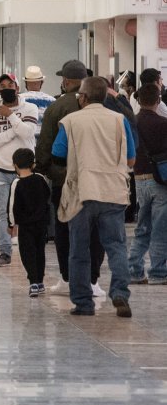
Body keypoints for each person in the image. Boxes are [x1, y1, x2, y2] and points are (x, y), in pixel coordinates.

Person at [52, 76, 135, 318]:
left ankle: (83, 303)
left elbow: (58, 154)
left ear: (84, 97)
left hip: (82, 193)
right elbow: (130, 159)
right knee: (117, 247)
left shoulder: (70, 121)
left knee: (79, 250)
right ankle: (120, 293)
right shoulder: (120, 120)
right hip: (113, 192)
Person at [36, 60, 106, 296]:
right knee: (95, 230)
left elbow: (45, 147)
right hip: (96, 180)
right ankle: (93, 280)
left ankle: (67, 279)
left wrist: (51, 172)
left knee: (65, 230)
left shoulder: (56, 107)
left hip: (63, 181)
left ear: (65, 82)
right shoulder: (104, 107)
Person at [0, 73, 38, 267]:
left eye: (10, 84)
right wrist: (12, 130)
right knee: (2, 211)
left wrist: (11, 116)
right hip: (1, 168)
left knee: (26, 211)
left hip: (25, 170)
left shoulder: (29, 108)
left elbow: (28, 132)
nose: (6, 88)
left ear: (16, 87)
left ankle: (28, 249)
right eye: (2, 85)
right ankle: (4, 252)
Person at [128, 83, 167, 284]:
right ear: (158, 100)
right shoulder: (163, 123)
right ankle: (158, 272)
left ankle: (134, 270)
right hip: (160, 181)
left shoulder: (131, 122)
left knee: (142, 227)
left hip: (139, 179)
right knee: (160, 228)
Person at [6, 148, 52, 297]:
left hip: (25, 226)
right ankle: (40, 281)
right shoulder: (40, 178)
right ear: (33, 164)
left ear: (15, 166)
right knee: (40, 252)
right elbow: (47, 196)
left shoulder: (16, 183)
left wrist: (11, 224)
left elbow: (12, 206)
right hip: (41, 223)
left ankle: (32, 282)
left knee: (27, 253)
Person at [19, 66, 55, 136]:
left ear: (26, 83)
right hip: (44, 141)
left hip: (24, 142)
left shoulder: (18, 99)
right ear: (41, 82)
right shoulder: (52, 100)